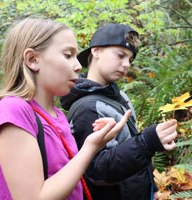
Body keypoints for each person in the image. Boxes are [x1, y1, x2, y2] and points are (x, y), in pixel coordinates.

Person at [0, 17, 131, 200]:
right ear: (32, 59)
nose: (78, 66)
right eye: (68, 55)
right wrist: (90, 148)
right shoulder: (13, 110)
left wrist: (98, 139)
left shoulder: (57, 115)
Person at [60, 23, 178, 200]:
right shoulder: (88, 108)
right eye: (120, 55)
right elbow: (98, 171)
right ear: (96, 51)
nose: (126, 65)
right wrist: (147, 142)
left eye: (130, 60)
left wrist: (151, 188)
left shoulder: (118, 96)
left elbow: (126, 146)